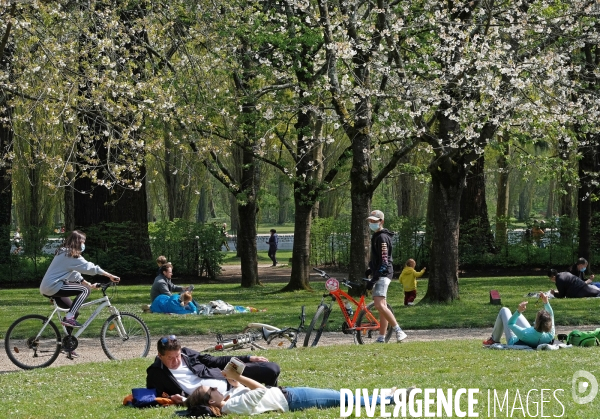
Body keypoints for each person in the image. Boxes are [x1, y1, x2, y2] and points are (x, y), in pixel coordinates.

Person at [185, 363, 404, 416]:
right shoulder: (232, 406)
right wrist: (239, 376)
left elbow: (242, 388)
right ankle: (389, 399)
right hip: (292, 400)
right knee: (340, 398)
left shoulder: (230, 398)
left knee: (338, 395)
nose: (216, 387)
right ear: (211, 401)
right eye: (212, 389)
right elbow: (260, 390)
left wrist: (234, 379)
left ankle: (385, 394)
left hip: (288, 393)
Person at [145, 336, 281, 403]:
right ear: (160, 356)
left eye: (178, 356)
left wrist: (248, 357)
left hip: (227, 378)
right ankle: (272, 398)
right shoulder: (156, 373)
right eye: (170, 358)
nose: (176, 361)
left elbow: (214, 360)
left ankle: (274, 392)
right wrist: (173, 398)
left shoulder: (187, 353)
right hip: (215, 398)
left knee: (271, 368)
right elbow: (155, 396)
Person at [39, 230, 120, 330]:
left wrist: (88, 284)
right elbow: (90, 268)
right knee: (85, 290)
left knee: (74, 311)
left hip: (48, 287)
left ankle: (68, 341)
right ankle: (69, 318)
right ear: (78, 242)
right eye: (83, 242)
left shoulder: (64, 252)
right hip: (53, 286)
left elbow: (74, 274)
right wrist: (109, 275)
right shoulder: (70, 255)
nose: (83, 245)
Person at [366, 210, 407, 343]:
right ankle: (381, 337)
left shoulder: (382, 238)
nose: (371, 223)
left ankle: (398, 330)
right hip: (380, 273)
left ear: (381, 222)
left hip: (383, 274)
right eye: (370, 221)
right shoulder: (377, 236)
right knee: (382, 305)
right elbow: (377, 259)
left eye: (374, 221)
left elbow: (384, 261)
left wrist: (374, 278)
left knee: (378, 304)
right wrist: (370, 269)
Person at [482, 291, 555, 348]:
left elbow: (510, 324)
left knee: (504, 310)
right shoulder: (550, 334)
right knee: (518, 316)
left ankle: (494, 340)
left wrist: (518, 311)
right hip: (533, 336)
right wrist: (546, 302)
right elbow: (551, 315)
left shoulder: (524, 334)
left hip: (514, 341)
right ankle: (517, 314)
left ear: (536, 322)